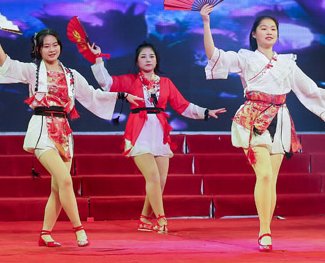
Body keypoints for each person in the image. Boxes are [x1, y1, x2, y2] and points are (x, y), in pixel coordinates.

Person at [201, 4, 325, 251]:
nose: (269, 32)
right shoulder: (245, 58)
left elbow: (310, 89)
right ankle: (264, 231)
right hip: (253, 119)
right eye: (263, 28)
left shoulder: (287, 63)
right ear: (254, 34)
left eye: (273, 29)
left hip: (280, 120)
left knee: (272, 180)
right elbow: (214, 56)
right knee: (265, 175)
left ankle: (267, 229)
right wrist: (206, 22)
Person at [0, 23, 120, 247]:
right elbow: (6, 64)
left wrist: (122, 96)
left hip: (64, 131)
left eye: (55, 45)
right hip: (41, 129)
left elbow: (92, 96)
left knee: (58, 189)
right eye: (46, 46)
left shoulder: (72, 75)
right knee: (65, 180)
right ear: (38, 49)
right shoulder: (33, 71)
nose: (51, 49)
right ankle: (79, 231)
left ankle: (45, 234)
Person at [89, 42, 225, 234]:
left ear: (157, 60)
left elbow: (183, 105)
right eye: (143, 56)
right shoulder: (129, 80)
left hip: (160, 133)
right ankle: (162, 220)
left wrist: (206, 112)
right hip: (139, 131)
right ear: (137, 61)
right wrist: (98, 58)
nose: (148, 60)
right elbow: (106, 83)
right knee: (152, 177)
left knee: (160, 182)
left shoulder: (165, 83)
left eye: (151, 56)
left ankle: (145, 219)